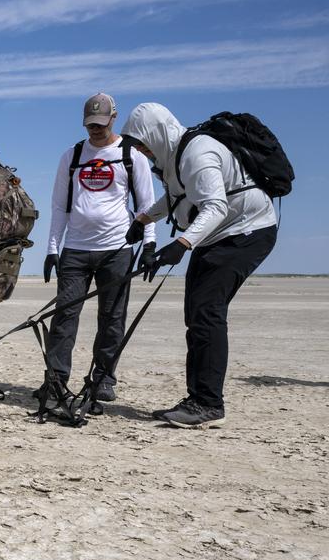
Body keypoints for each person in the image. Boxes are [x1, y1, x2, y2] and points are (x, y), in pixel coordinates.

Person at [121, 102, 278, 428]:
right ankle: (198, 399)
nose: (141, 150)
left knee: (207, 312)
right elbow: (179, 197)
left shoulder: (198, 152)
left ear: (157, 133)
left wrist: (181, 244)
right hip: (217, 237)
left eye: (142, 142)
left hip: (245, 233)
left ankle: (208, 404)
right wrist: (144, 218)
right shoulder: (174, 158)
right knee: (196, 313)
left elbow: (216, 207)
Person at [36, 93, 155, 411]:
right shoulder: (72, 156)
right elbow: (59, 206)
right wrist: (52, 249)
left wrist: (150, 244)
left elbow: (147, 205)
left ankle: (103, 380)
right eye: (90, 125)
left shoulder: (131, 155)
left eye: (101, 124)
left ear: (114, 118)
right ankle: (56, 380)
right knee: (64, 318)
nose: (96, 130)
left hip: (117, 249)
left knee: (112, 319)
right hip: (75, 250)